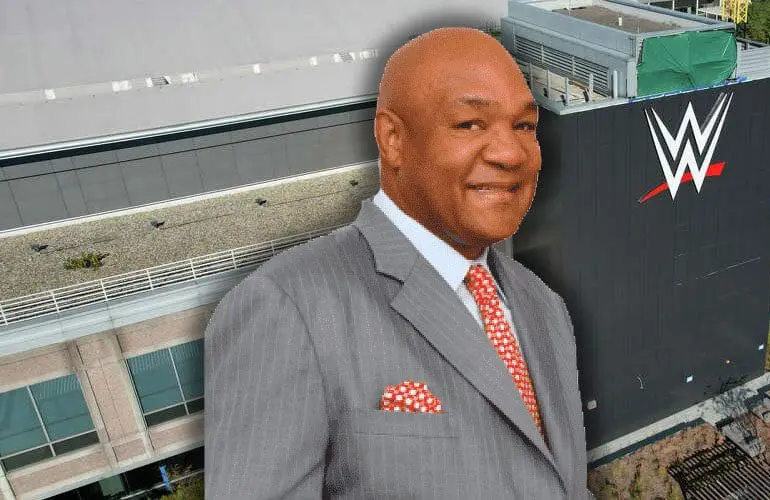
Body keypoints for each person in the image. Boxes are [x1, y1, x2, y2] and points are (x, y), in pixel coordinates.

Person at [205, 27, 590, 499]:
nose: (511, 153)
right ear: (393, 139)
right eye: (469, 124)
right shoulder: (289, 308)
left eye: (524, 126)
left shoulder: (545, 307)